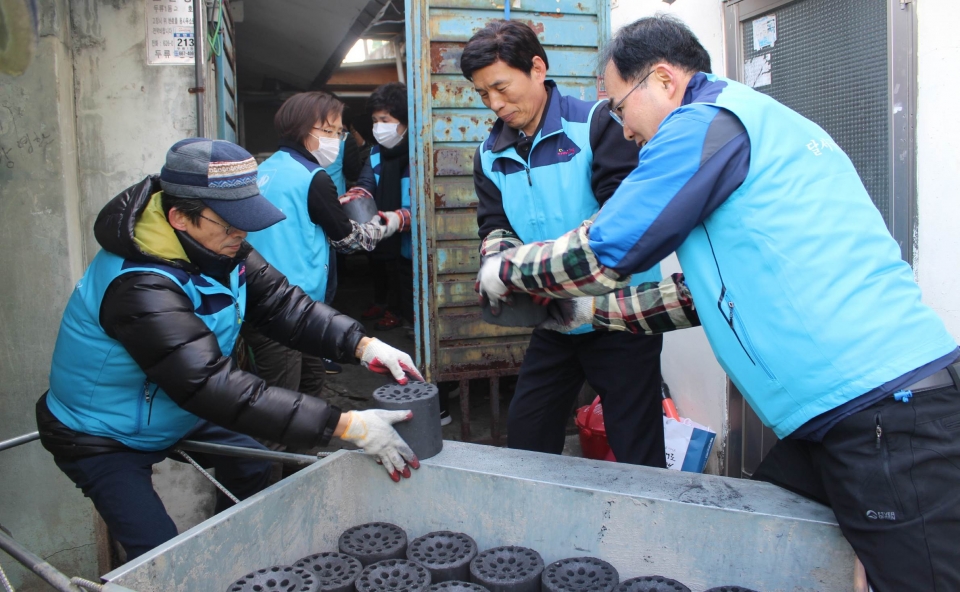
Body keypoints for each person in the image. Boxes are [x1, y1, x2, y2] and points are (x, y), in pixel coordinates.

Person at [476, 15, 960, 590]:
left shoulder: (706, 123)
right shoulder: (737, 124)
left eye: (621, 107)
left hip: (884, 411)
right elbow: (702, 295)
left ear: (664, 81)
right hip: (837, 418)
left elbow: (607, 248)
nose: (622, 131)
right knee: (802, 545)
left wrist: (506, 270)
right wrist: (589, 314)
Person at [37, 138, 423, 561]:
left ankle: (230, 555)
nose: (241, 235)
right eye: (229, 224)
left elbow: (282, 305)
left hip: (172, 407)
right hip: (101, 430)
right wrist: (348, 425)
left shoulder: (222, 247)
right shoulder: (140, 286)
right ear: (179, 218)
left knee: (254, 462)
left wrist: (362, 344)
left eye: (246, 221)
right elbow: (208, 384)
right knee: (161, 558)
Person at [460, 20, 668, 466]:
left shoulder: (597, 124)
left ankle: (645, 510)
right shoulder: (489, 154)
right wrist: (497, 261)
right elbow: (495, 224)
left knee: (637, 448)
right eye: (482, 94)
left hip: (621, 317)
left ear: (537, 68)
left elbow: (620, 219)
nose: (494, 104)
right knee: (528, 434)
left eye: (501, 88)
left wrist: (529, 269)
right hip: (554, 319)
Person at [245, 92, 411, 394]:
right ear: (302, 128)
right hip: (287, 307)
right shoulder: (313, 177)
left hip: (266, 297)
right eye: (329, 131)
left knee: (310, 382)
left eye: (339, 132)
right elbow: (349, 241)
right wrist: (387, 224)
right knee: (283, 399)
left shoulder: (264, 168)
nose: (336, 140)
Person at [348, 82, 415, 334]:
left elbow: (428, 203)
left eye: (385, 120)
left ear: (405, 120)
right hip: (391, 239)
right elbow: (365, 184)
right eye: (375, 121)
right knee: (396, 279)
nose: (378, 127)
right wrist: (353, 199)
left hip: (418, 245)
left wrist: (398, 218)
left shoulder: (421, 151)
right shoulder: (377, 153)